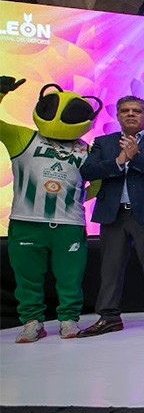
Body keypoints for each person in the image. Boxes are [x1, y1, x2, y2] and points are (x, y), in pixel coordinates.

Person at [2, 77, 97, 342]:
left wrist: (74, 199)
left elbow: (97, 184)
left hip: (69, 224)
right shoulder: (23, 136)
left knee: (70, 277)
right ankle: (32, 321)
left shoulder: (86, 148)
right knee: (27, 277)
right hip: (26, 221)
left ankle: (68, 320)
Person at [78, 95, 144, 337]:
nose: (131, 114)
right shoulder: (103, 143)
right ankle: (109, 317)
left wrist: (137, 157)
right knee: (110, 268)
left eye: (136, 111)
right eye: (125, 111)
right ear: (118, 116)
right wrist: (119, 161)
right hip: (114, 214)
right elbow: (87, 170)